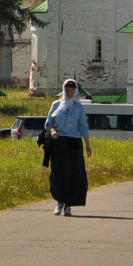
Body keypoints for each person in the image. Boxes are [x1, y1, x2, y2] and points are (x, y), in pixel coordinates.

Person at [44, 78, 92, 215]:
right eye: (67, 89)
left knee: (73, 174)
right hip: (59, 142)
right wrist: (52, 130)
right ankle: (59, 202)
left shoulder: (79, 107)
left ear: (75, 90)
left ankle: (69, 205)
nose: (70, 92)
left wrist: (88, 145)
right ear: (64, 90)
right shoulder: (56, 104)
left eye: (72, 89)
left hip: (74, 143)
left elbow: (84, 127)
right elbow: (48, 123)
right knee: (59, 173)